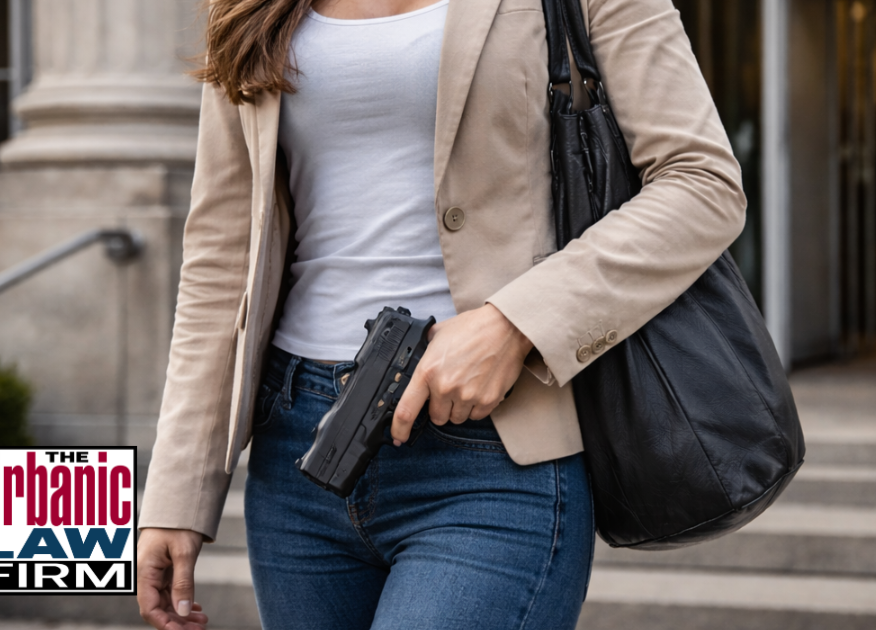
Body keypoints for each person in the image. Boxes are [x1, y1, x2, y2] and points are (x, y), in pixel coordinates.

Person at [135, 0, 746, 628]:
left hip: (493, 447)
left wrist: (516, 323)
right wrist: (180, 488)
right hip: (299, 449)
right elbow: (222, 253)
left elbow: (701, 183)